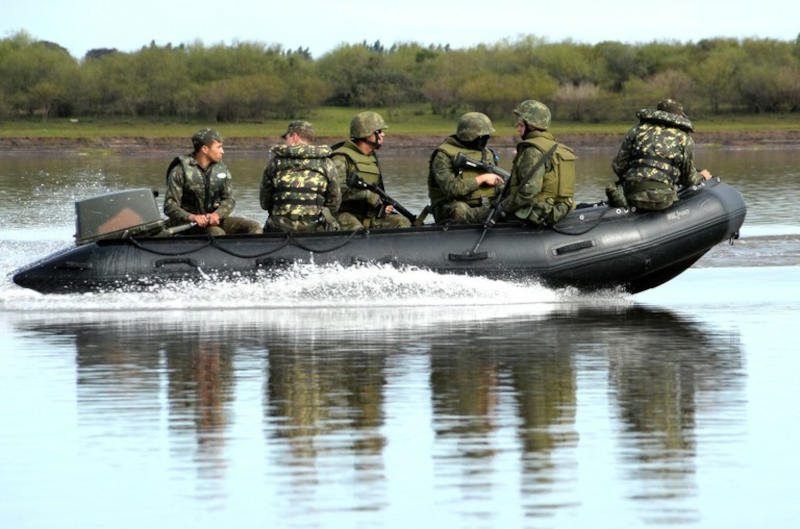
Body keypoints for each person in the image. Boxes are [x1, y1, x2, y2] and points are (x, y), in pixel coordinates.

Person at [608, 98, 713, 211]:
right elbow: (688, 179)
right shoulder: (684, 138)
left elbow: (618, 166)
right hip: (663, 199)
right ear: (680, 116)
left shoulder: (637, 130)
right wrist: (702, 176)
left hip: (631, 195)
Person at [164, 128, 262, 235]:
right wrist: (192, 217)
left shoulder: (221, 169)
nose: (222, 151)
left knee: (254, 227)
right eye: (219, 147)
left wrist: (217, 215)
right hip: (187, 224)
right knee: (216, 232)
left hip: (214, 220)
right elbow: (170, 206)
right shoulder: (179, 170)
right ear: (205, 149)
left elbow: (229, 200)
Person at [499, 100, 577, 226]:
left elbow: (528, 192)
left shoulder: (533, 151)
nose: (518, 129)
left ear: (530, 126)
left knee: (482, 213)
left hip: (538, 214)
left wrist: (502, 207)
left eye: (521, 125)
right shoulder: (559, 148)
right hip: (560, 209)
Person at [332, 111, 412, 230]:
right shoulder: (341, 157)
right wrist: (367, 195)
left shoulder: (372, 158)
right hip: (344, 214)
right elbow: (336, 192)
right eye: (379, 131)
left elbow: (377, 190)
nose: (383, 135)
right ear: (368, 133)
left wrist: (382, 205)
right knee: (356, 230)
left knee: (402, 222)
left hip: (369, 214)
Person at [260, 121, 341, 232]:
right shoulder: (326, 163)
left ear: (294, 137)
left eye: (286, 137)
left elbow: (264, 203)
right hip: (316, 229)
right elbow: (334, 203)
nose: (285, 141)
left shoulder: (275, 163)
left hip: (279, 229)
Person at [427, 112, 504, 224]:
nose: (485, 140)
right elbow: (452, 189)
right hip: (453, 209)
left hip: (485, 205)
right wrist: (481, 179)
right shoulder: (444, 155)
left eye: (487, 136)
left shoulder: (487, 153)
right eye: (482, 137)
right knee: (459, 210)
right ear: (469, 136)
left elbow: (498, 184)